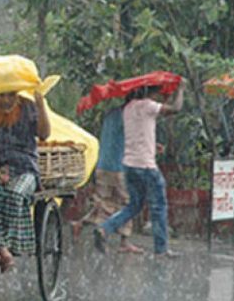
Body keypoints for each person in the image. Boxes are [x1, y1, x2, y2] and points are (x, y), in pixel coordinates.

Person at [94, 80, 186, 258]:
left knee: (134, 205)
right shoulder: (147, 106)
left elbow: (139, 133)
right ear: (152, 92)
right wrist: (180, 89)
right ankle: (161, 249)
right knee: (159, 206)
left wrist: (153, 145)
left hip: (129, 165)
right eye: (159, 93)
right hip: (146, 166)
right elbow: (175, 109)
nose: (160, 97)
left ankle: (105, 229)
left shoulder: (128, 109)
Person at [0, 90, 50, 275]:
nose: (6, 100)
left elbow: (44, 134)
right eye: (1, 96)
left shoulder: (29, 107)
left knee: (15, 194)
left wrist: (41, 104)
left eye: (10, 95)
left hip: (24, 168)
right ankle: (2, 249)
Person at [80, 103, 143, 254]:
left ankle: (80, 224)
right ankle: (123, 241)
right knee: (128, 202)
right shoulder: (128, 117)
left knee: (104, 201)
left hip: (102, 165)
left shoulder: (110, 114)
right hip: (119, 166)